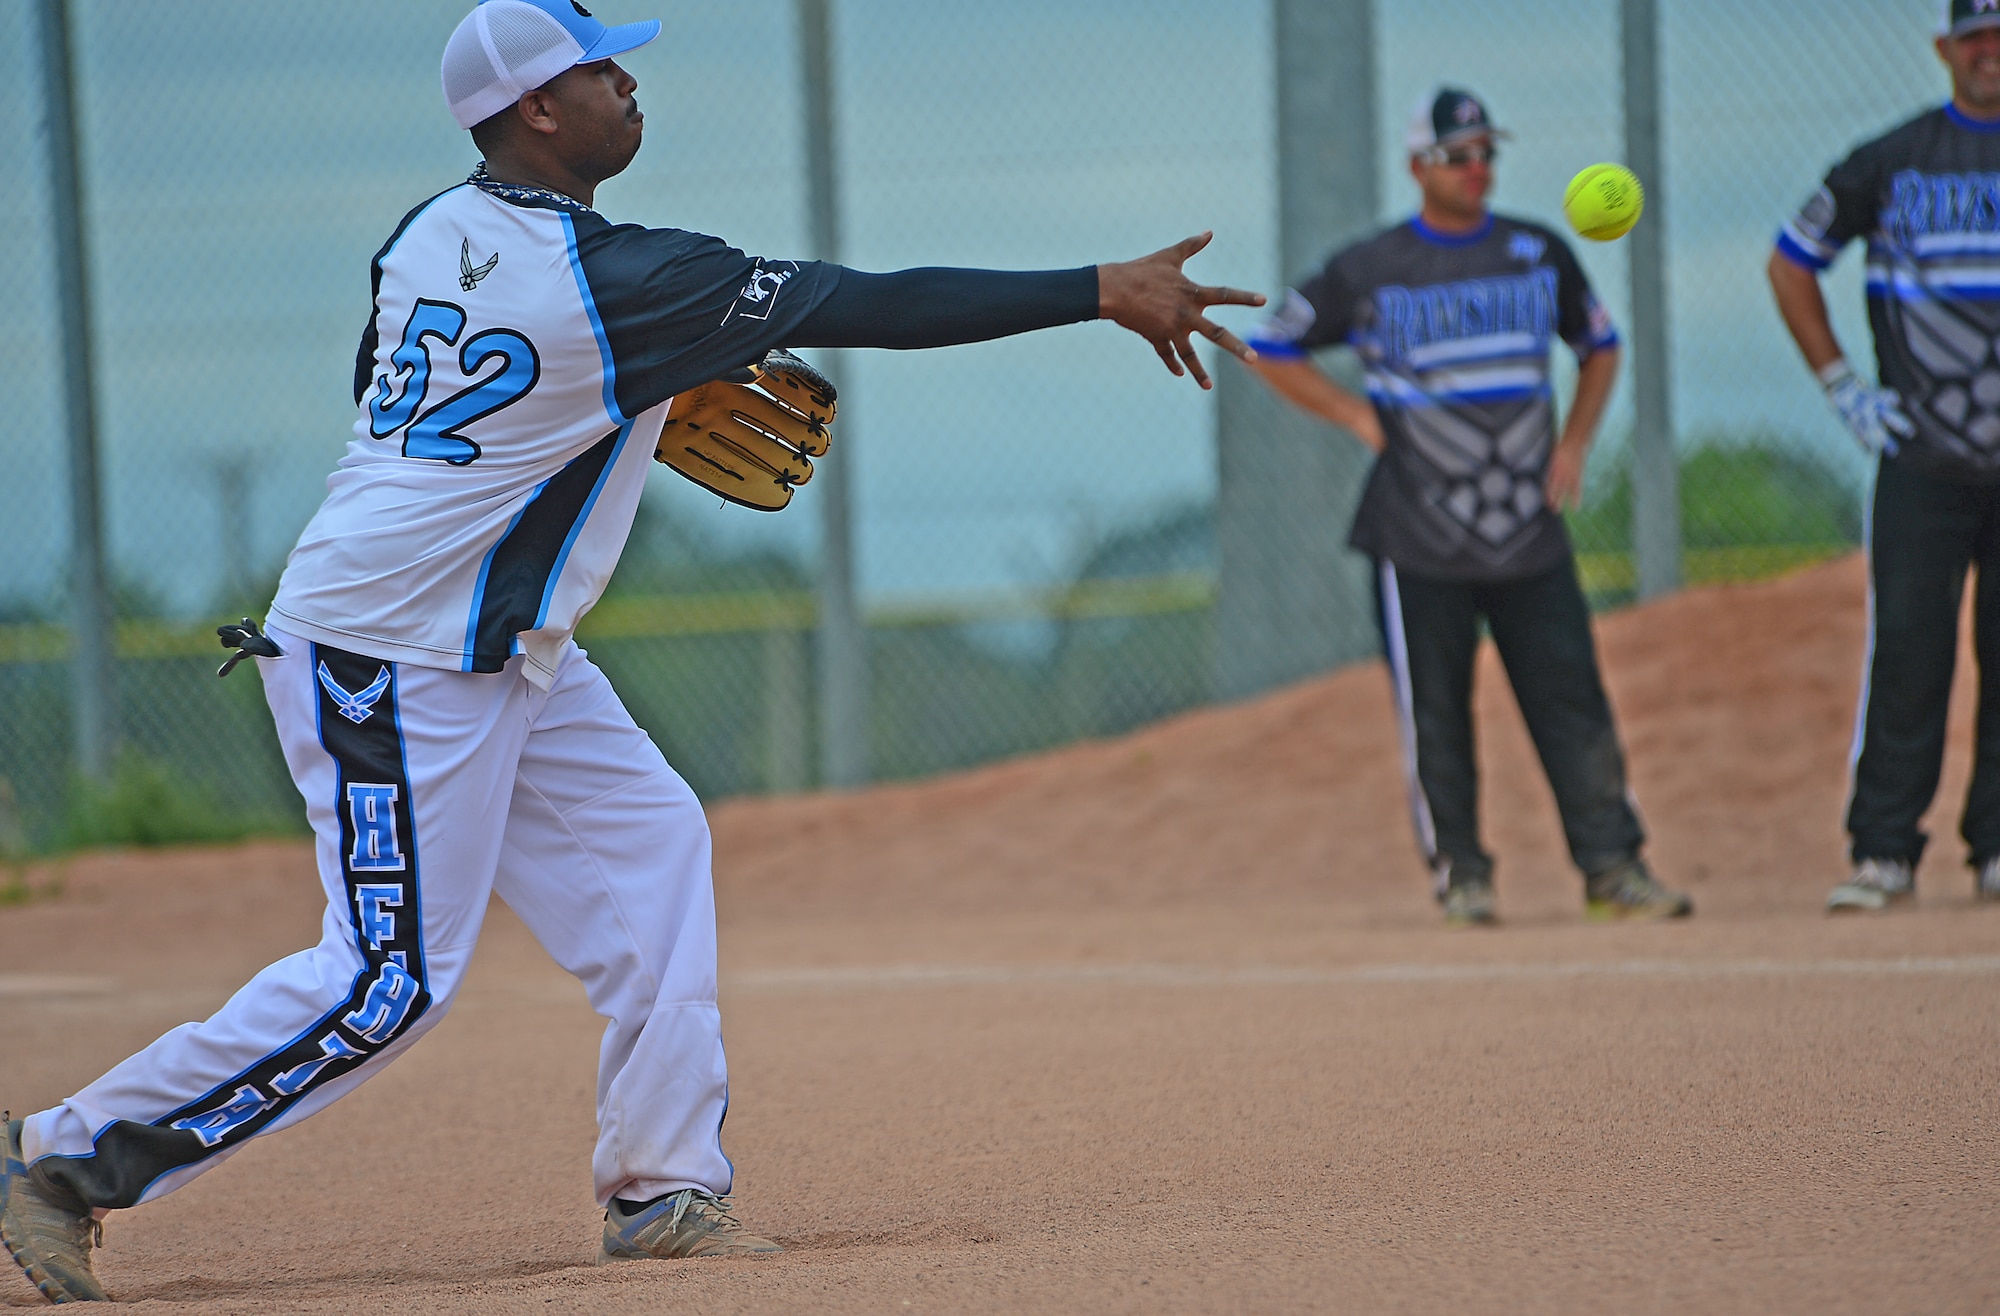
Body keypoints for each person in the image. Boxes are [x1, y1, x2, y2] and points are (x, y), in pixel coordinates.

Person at [0, 0, 1263, 1301]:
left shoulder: (427, 234)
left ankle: (663, 1188)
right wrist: (1101, 288)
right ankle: (57, 1167)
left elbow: (399, 389)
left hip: (499, 641)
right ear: (538, 109)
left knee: (654, 844)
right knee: (386, 982)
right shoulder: (625, 282)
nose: (626, 84)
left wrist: (628, 388)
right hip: (391, 655)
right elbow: (865, 302)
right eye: (600, 69)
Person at [1245, 87, 1692, 928]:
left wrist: (1576, 443)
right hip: (1415, 530)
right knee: (1436, 713)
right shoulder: (1370, 267)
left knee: (1573, 702)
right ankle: (1464, 874)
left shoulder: (1539, 251)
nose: (1477, 168)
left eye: (1487, 151)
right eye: (1458, 156)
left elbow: (1599, 346)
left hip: (1528, 524)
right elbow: (1270, 343)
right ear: (1418, 167)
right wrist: (1351, 415)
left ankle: (1613, 868)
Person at [1770, 0, 2000, 914]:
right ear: (1945, 49)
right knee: (1909, 646)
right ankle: (1884, 853)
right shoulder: (1891, 160)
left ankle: (1995, 850)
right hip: (1922, 456)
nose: (1992, 54)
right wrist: (1840, 386)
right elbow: (1792, 260)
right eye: (1977, 38)